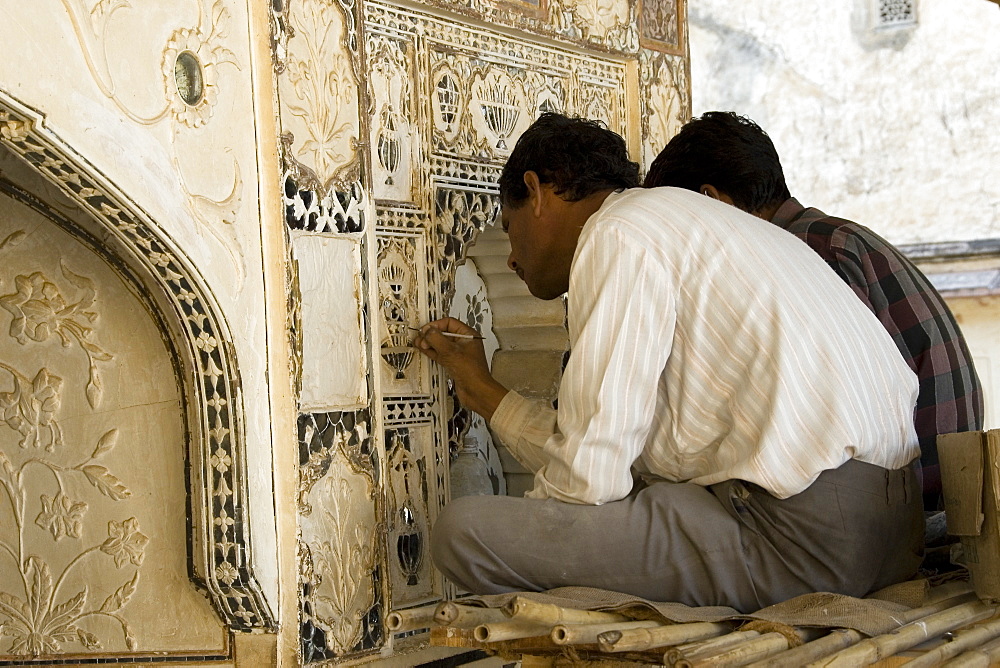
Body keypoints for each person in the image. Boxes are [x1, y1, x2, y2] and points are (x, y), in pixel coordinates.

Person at [413, 112, 923, 612]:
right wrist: (485, 395)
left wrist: (541, 536)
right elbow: (604, 450)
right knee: (649, 490)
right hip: (894, 535)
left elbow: (588, 480)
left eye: (510, 228)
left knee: (465, 534)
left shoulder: (616, 234)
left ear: (538, 191)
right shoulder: (689, 222)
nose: (509, 259)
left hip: (802, 543)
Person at [643, 111, 984, 511]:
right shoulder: (831, 235)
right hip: (942, 484)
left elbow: (828, 407)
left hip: (915, 502)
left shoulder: (806, 252)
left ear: (710, 201)